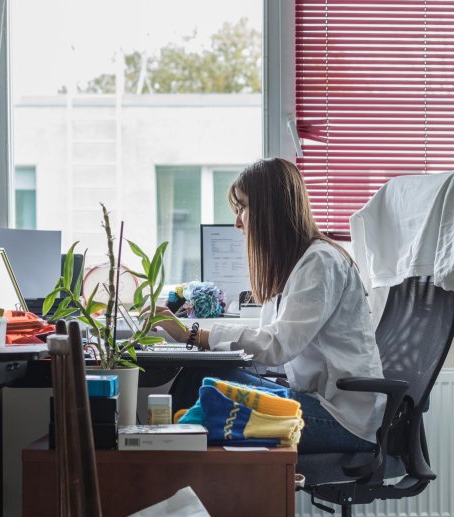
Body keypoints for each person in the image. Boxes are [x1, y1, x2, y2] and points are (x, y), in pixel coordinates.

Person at [153, 157, 385, 454]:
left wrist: (192, 333)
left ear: (271, 210)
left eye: (242, 208)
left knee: (200, 383)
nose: (238, 222)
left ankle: (188, 487)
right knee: (200, 376)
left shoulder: (321, 262)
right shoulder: (294, 265)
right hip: (314, 402)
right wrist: (207, 344)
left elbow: (277, 347)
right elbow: (269, 348)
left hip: (341, 420)